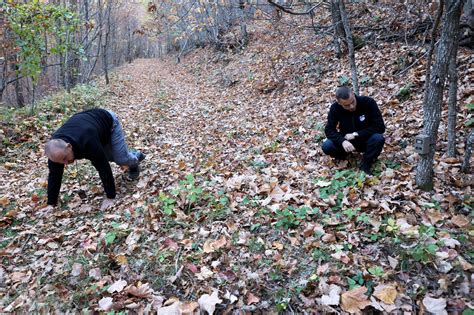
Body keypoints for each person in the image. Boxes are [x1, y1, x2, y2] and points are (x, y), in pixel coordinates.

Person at [43, 108, 145, 210]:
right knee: (109, 156)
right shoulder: (55, 151)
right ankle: (130, 154)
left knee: (120, 159)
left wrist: (110, 197)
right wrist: (51, 203)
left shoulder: (87, 141)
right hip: (92, 128)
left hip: (108, 122)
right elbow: (54, 175)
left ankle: (135, 159)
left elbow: (102, 166)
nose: (65, 163)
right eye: (61, 162)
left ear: (69, 146)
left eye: (65, 158)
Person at [322, 86, 385, 175]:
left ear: (353, 95)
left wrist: (356, 134)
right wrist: (342, 141)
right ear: (339, 103)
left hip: (365, 140)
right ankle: (345, 158)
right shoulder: (335, 108)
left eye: (353, 102)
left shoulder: (368, 102)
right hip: (347, 143)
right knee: (327, 145)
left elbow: (380, 127)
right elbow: (329, 130)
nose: (351, 106)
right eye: (346, 105)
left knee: (378, 138)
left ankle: (366, 163)